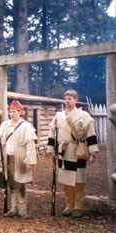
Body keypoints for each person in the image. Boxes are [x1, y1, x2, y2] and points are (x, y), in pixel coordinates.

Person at [47, 90, 98, 218]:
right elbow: (52, 133)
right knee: (66, 180)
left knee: (79, 180)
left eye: (70, 98)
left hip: (78, 150)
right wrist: (51, 150)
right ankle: (69, 205)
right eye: (66, 98)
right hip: (63, 151)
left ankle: (78, 206)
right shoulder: (58, 116)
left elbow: (90, 134)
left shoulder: (84, 115)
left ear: (75, 100)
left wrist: (92, 153)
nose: (68, 101)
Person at [0, 100, 38, 218]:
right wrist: (0, 157)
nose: (12, 114)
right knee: (11, 184)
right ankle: (13, 208)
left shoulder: (26, 126)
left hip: (20, 159)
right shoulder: (5, 125)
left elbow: (30, 146)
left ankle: (22, 210)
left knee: (20, 185)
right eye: (10, 112)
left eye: (14, 111)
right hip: (8, 158)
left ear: (20, 112)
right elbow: (0, 144)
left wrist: (30, 161)